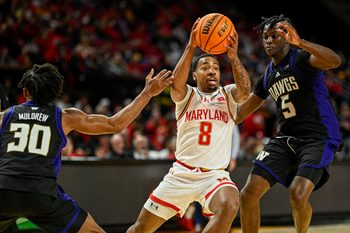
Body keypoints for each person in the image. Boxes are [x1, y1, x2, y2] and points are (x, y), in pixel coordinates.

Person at [0, 63, 173, 233]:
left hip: (3, 190)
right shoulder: (65, 117)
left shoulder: (4, 116)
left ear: (25, 92)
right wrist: (148, 92)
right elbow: (116, 124)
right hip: (42, 194)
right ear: (55, 93)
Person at [127, 17, 251, 233]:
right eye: (205, 67)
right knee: (139, 229)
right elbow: (177, 82)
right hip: (181, 174)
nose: (212, 70)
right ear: (194, 75)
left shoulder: (228, 94)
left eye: (215, 67)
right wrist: (191, 46)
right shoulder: (187, 95)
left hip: (214, 176)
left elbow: (245, 90)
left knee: (231, 203)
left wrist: (233, 58)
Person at [237, 15, 342, 233]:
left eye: (274, 36)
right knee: (247, 194)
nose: (268, 41)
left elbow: (335, 61)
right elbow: (239, 114)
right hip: (285, 138)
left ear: (286, 38)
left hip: (317, 137)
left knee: (298, 193)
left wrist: (301, 42)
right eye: (265, 37)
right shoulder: (267, 75)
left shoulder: (302, 59)